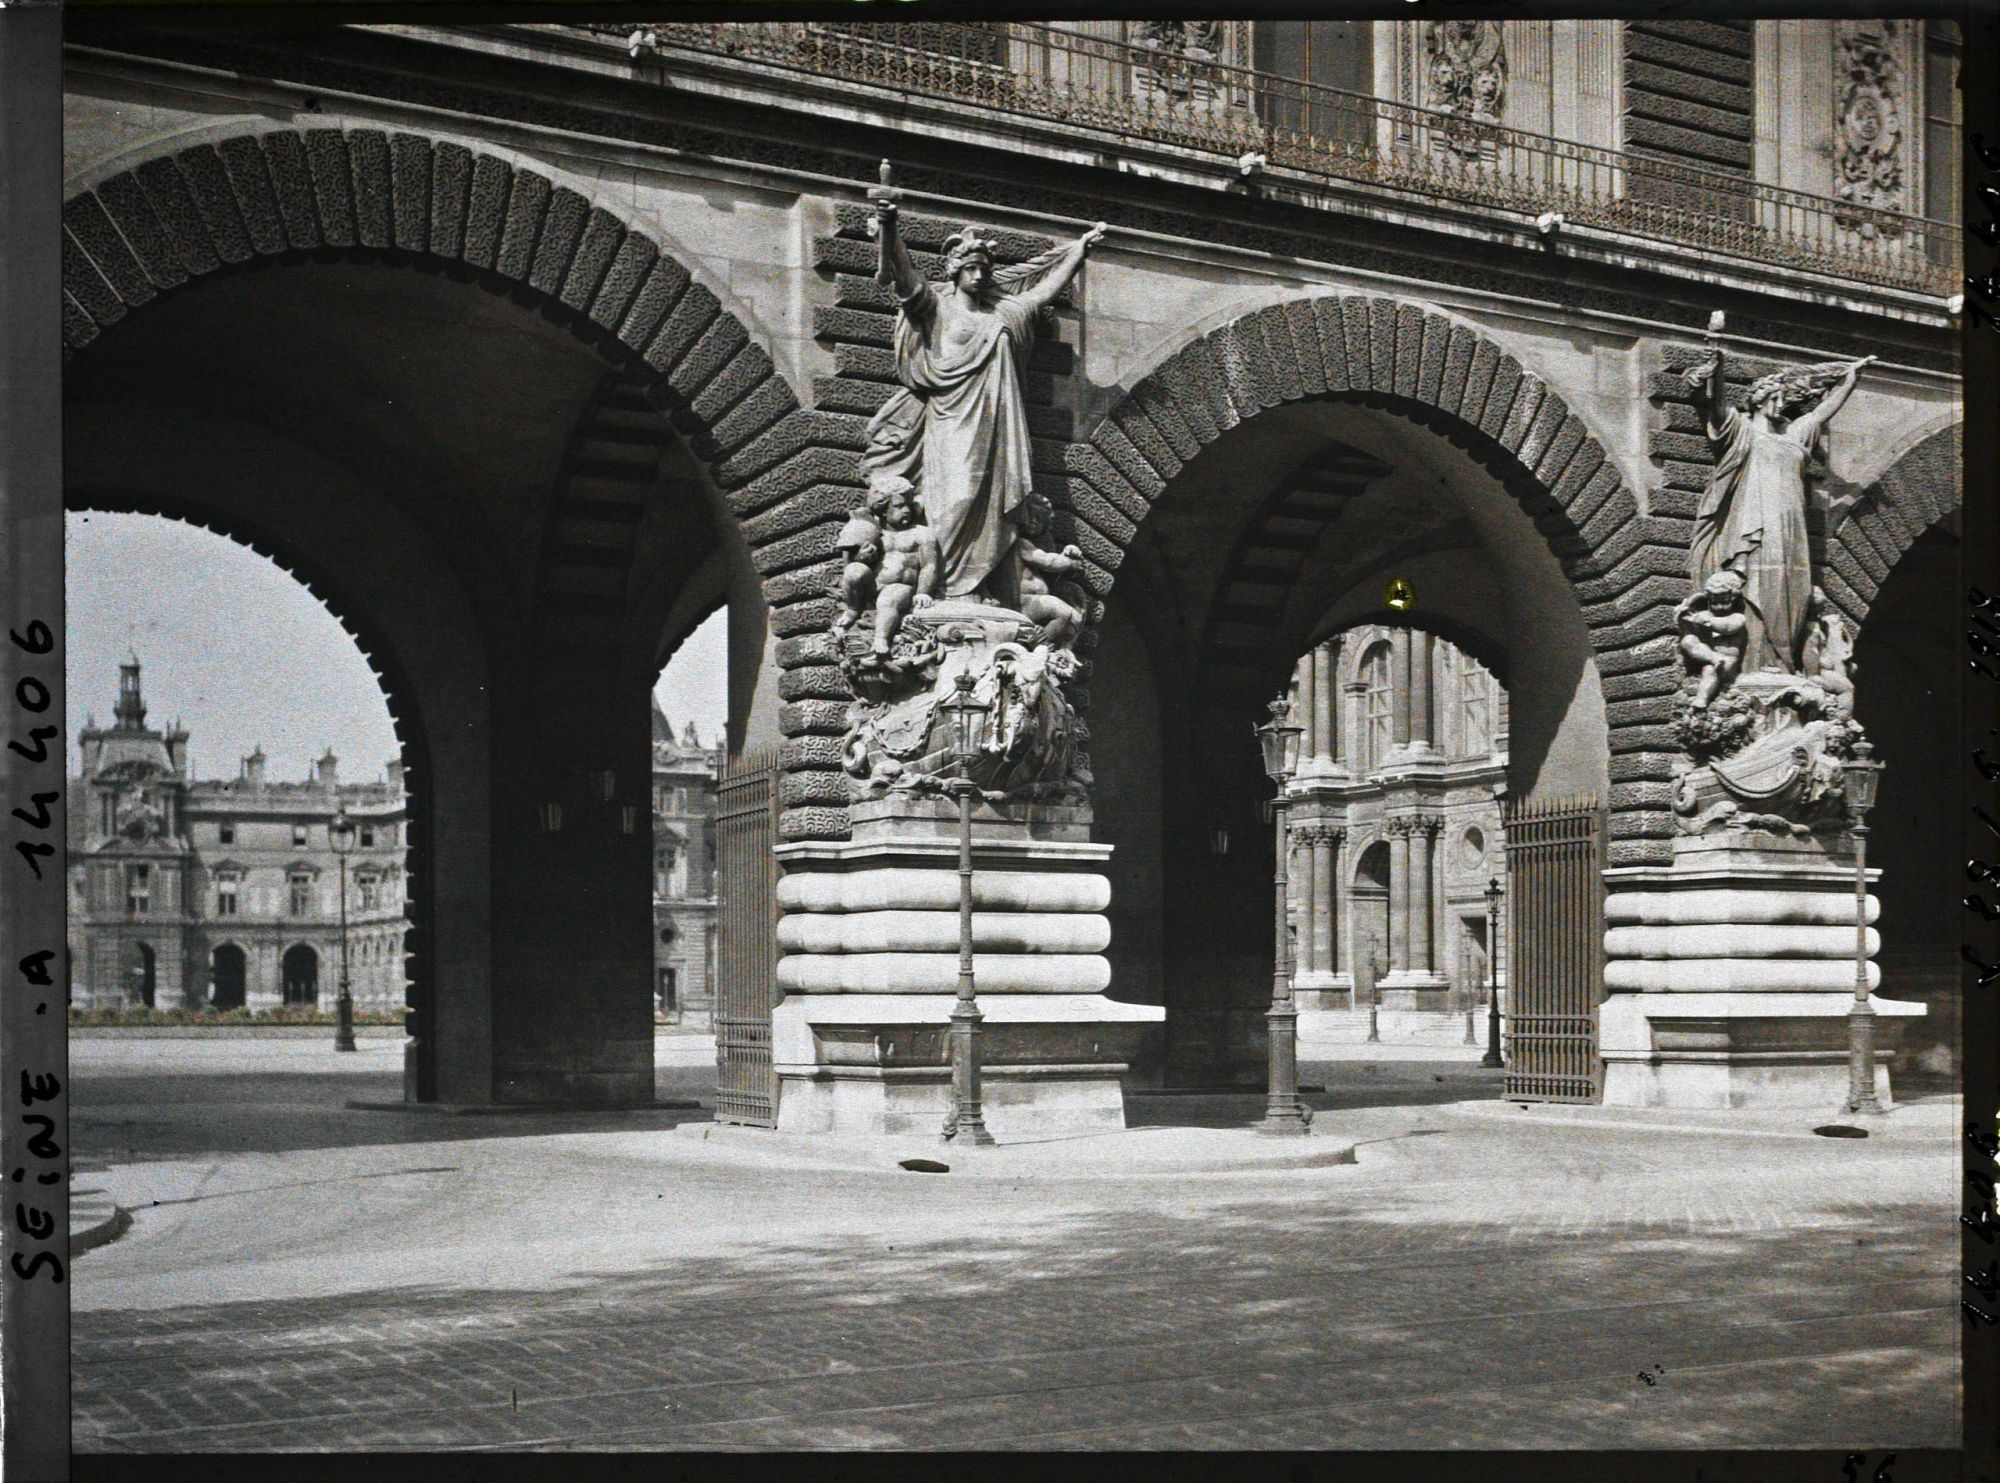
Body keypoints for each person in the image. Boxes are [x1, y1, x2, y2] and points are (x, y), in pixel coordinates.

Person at [864, 164, 1107, 605]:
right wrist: (888, 224)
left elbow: (1042, 294)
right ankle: (946, 591)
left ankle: (982, 590)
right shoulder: (936, 307)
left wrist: (1078, 253)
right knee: (953, 502)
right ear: (956, 270)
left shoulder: (1004, 314)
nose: (979, 275)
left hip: (999, 431)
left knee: (998, 509)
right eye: (971, 268)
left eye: (984, 269)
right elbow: (902, 273)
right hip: (951, 426)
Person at [1683, 348, 1873, 674]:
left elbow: (1820, 414)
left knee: (1794, 592)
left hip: (1793, 530)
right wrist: (1718, 366)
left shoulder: (1794, 435)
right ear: (1761, 399)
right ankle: (1754, 669)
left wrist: (1849, 381)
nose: (1782, 404)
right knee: (1759, 587)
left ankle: (1786, 668)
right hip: (1755, 526)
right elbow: (1714, 406)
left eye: (1784, 398)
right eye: (1777, 398)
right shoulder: (1741, 430)